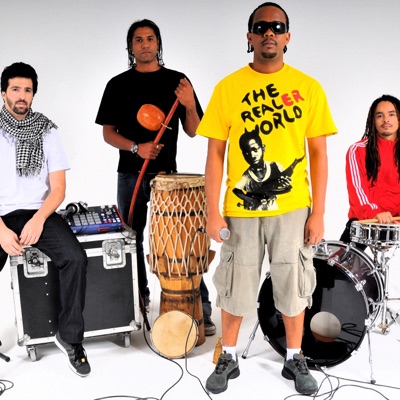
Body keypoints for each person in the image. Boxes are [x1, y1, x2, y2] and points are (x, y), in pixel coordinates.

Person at [196, 2, 337, 395]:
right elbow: (215, 154)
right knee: (235, 282)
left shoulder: (309, 88)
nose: (269, 32)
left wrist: (318, 213)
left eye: (277, 26)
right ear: (250, 36)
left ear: (287, 36)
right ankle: (228, 356)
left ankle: (294, 357)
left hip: (293, 209)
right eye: (261, 27)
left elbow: (319, 154)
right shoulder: (228, 88)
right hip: (240, 211)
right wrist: (212, 211)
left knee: (293, 282)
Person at [95, 19, 216, 335]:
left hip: (167, 179)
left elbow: (194, 130)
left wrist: (189, 104)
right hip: (129, 175)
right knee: (131, 238)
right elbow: (108, 133)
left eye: (150, 38)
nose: (145, 44)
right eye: (138, 39)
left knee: (182, 241)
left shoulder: (178, 81)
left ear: (158, 43)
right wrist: (137, 148)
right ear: (130, 46)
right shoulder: (117, 84)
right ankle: (139, 298)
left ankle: (199, 305)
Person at [0, 62, 90, 377]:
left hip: (39, 211)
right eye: (15, 89)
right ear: (3, 93)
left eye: (27, 90)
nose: (21, 96)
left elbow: (58, 188)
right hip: (0, 215)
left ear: (33, 95)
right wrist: (1, 230)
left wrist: (39, 220)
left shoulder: (47, 130)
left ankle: (70, 336)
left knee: (75, 258)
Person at [340, 94, 400, 244]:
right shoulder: (358, 150)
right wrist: (375, 213)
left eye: (391, 114)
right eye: (380, 116)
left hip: (398, 219)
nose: (386, 120)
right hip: (367, 219)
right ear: (373, 121)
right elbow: (357, 190)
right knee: (340, 258)